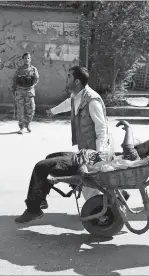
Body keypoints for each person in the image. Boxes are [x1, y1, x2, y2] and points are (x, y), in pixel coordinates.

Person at [14, 120, 149, 224]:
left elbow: (127, 146)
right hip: (90, 158)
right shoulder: (137, 161)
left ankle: (33, 209)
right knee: (51, 158)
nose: (140, 145)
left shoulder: (135, 158)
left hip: (86, 164)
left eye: (145, 145)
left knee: (41, 166)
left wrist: (128, 128)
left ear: (148, 154)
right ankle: (40, 198)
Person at [46, 66, 111, 201]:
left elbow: (102, 129)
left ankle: (98, 210)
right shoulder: (76, 96)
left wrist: (100, 154)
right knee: (89, 184)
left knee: (90, 184)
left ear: (77, 82)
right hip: (85, 147)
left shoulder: (92, 101)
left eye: (69, 76)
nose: (66, 79)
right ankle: (99, 207)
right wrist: (53, 111)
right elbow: (68, 104)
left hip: (95, 150)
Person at [12, 52, 39, 134]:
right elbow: (14, 80)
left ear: (30, 59)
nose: (26, 60)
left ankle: (27, 124)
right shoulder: (19, 70)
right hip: (20, 92)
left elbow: (36, 80)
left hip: (29, 92)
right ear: (22, 59)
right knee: (20, 110)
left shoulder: (33, 69)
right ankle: (21, 127)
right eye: (25, 58)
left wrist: (31, 85)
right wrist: (14, 90)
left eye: (28, 58)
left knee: (31, 109)